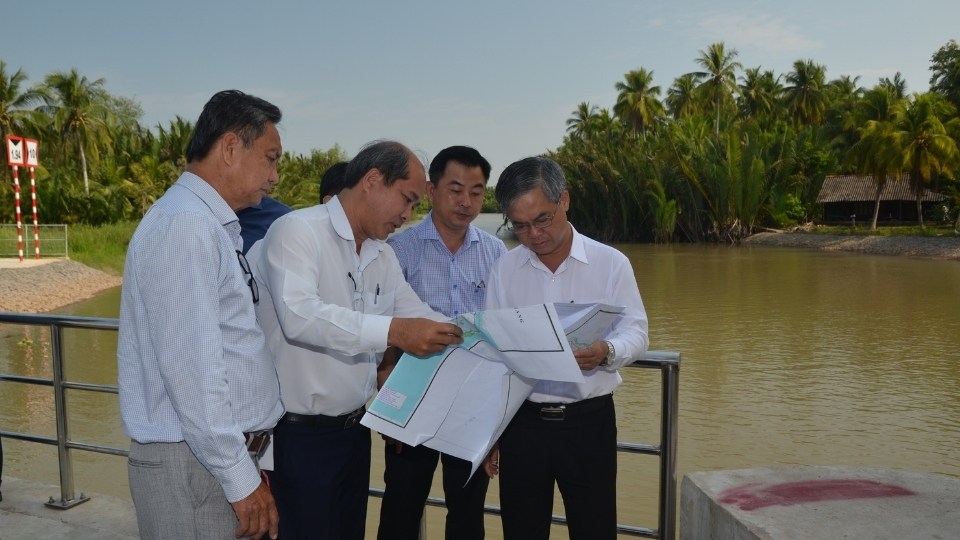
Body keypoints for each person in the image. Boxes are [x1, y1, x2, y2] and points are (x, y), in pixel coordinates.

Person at [248, 140, 464, 539]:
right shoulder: (297, 231)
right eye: (407, 199)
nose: (408, 214)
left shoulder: (382, 256)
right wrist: (395, 331)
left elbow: (421, 315)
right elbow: (301, 317)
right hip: (297, 437)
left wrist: (481, 333)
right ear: (373, 180)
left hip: (353, 433)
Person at [117, 90, 285, 539]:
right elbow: (192, 370)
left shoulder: (207, 224)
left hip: (211, 459)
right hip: (196, 466)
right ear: (230, 147)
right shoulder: (185, 226)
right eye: (270, 159)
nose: (275, 177)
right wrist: (239, 477)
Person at [483, 156, 649, 540]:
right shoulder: (505, 270)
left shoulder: (610, 264)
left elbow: (637, 331)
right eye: (520, 225)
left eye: (543, 219)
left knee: (595, 528)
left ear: (565, 201)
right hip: (522, 426)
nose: (533, 234)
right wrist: (490, 432)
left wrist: (606, 350)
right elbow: (494, 354)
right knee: (522, 530)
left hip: (588, 424)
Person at [377, 146, 506, 540]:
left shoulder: (497, 253)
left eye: (477, 191)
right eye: (455, 189)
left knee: (468, 516)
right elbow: (384, 328)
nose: (466, 202)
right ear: (431, 190)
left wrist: (497, 419)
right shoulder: (397, 250)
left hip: (472, 403)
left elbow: (503, 337)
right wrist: (386, 398)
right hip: (413, 398)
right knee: (401, 506)